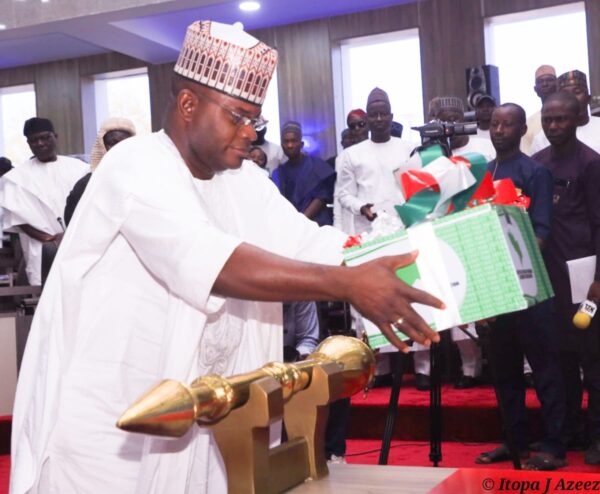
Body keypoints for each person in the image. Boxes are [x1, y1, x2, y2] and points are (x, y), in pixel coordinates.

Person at [10, 21, 444, 494]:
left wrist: (420, 257)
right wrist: (349, 284)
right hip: (116, 422)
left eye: (255, 120)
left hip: (208, 412)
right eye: (238, 117)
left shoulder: (244, 180)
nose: (249, 133)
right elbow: (215, 263)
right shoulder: (135, 165)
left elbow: (311, 243)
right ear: (188, 104)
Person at [475, 103, 566, 470]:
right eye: (495, 124)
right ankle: (515, 442)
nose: (499, 130)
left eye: (507, 124)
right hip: (496, 289)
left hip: (530, 288)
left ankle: (555, 446)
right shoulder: (483, 173)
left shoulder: (535, 172)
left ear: (521, 130)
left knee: (545, 369)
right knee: (504, 370)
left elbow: (542, 230)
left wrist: (512, 261)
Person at [532, 91, 600, 465]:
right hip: (549, 277)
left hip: (585, 278)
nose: (554, 125)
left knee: (594, 360)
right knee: (560, 360)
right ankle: (571, 430)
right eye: (548, 119)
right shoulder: (537, 163)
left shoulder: (591, 163)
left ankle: (598, 436)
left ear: (576, 120)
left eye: (561, 119)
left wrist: (599, 280)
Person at [413, 96, 494, 390]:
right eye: (442, 119)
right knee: (448, 303)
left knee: (477, 306)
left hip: (477, 233)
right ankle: (456, 367)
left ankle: (480, 366)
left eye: (454, 118)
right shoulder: (424, 155)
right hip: (439, 237)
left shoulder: (484, 148)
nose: (450, 124)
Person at [0, 117, 88, 285]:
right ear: (28, 143)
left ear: (55, 136)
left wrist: (70, 236)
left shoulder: (80, 168)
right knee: (47, 292)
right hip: (41, 246)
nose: (40, 143)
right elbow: (18, 220)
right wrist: (50, 239)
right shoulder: (17, 178)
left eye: (45, 137)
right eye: (34, 140)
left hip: (79, 242)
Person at [335, 88, 414, 235]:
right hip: (368, 230)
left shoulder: (408, 149)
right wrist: (361, 208)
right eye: (373, 115)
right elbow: (344, 195)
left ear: (391, 117)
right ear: (367, 119)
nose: (378, 119)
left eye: (383, 114)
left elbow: (416, 190)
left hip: (403, 226)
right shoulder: (352, 154)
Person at [64, 117, 136, 225]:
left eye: (125, 143)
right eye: (113, 143)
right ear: (102, 146)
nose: (119, 148)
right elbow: (72, 224)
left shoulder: (143, 178)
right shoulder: (87, 184)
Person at [273, 121, 336, 227]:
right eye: (286, 142)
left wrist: (301, 222)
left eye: (293, 141)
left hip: (316, 223)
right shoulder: (279, 172)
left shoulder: (317, 165)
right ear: (282, 145)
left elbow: (322, 196)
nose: (289, 145)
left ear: (301, 144)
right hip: (289, 224)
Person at [530, 70, 600, 155]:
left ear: (588, 98)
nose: (572, 98)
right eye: (565, 93)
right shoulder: (542, 139)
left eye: (577, 92)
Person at [428, 96, 495, 161]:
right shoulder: (431, 154)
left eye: (453, 120)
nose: (449, 126)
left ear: (463, 120)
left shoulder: (487, 147)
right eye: (443, 122)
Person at [522, 65, 557, 155]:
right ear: (535, 89)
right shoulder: (529, 124)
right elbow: (527, 157)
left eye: (549, 80)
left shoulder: (569, 116)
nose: (545, 84)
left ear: (558, 84)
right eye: (540, 81)